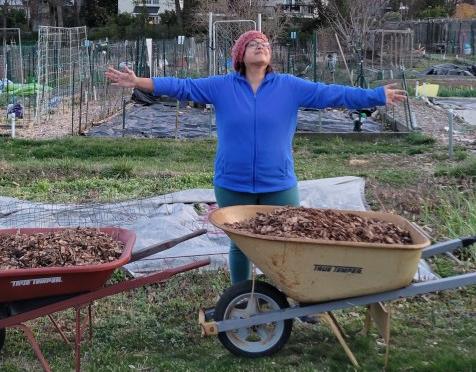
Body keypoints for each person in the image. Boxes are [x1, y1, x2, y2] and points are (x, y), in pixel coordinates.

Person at [105, 29, 407, 284]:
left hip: (278, 182)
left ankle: (293, 297)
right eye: (253, 44)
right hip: (232, 182)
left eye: (265, 44)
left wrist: (375, 96)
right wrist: (139, 82)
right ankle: (242, 300)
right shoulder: (221, 86)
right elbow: (182, 87)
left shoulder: (290, 86)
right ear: (241, 55)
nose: (260, 46)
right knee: (241, 244)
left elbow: (333, 93)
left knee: (289, 245)